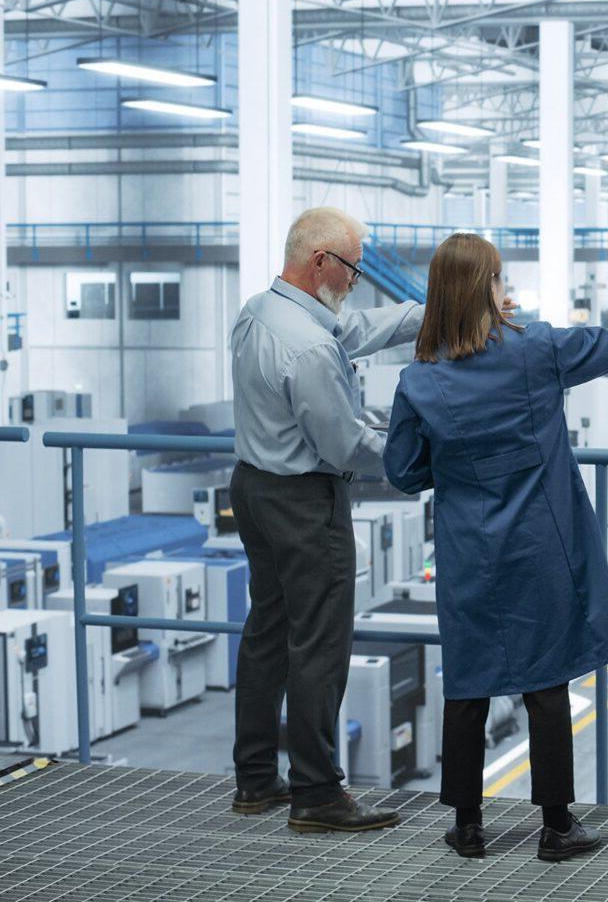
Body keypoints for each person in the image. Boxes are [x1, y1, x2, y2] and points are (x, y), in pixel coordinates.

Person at [383, 232, 608, 861]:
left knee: (468, 681)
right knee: (544, 682)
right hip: (538, 546)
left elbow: (404, 471)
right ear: (489, 288)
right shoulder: (536, 349)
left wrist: (460, 468)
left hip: (465, 549)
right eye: (497, 280)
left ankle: (466, 825)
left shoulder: (419, 379)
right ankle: (556, 827)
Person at [227, 207, 424, 833]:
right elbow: (347, 446)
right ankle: (317, 795)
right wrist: (419, 455)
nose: (358, 279)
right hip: (305, 503)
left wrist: (434, 311)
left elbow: (353, 328)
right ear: (321, 263)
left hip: (253, 490)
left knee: (267, 634)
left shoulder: (262, 309)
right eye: (353, 266)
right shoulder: (310, 346)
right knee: (319, 645)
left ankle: (256, 781)